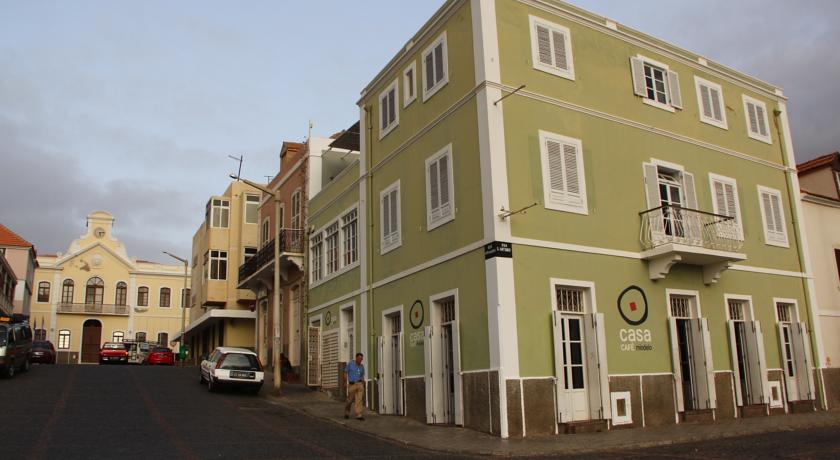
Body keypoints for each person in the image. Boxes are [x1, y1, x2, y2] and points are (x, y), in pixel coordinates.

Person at [344, 352, 365, 420]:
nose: (360, 360)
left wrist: (363, 383)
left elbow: (362, 375)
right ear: (356, 358)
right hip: (352, 384)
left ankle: (359, 414)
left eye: (361, 359)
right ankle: (347, 412)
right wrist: (345, 382)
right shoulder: (350, 364)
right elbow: (345, 372)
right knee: (349, 400)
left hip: (359, 384)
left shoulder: (362, 366)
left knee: (359, 400)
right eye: (359, 358)